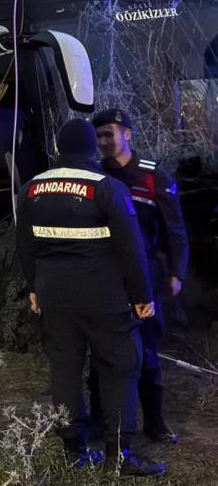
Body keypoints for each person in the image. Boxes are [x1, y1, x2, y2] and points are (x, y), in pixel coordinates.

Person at [16, 118, 165, 476]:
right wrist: (143, 295)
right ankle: (119, 457)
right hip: (106, 300)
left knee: (64, 370)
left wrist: (34, 288)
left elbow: (25, 245)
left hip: (54, 299)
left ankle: (74, 449)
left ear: (59, 149)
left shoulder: (32, 189)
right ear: (90, 148)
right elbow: (133, 249)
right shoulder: (107, 187)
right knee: (118, 370)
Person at [91, 108, 189, 445]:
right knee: (101, 355)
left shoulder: (154, 177)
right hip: (104, 280)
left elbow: (176, 231)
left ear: (128, 134)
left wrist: (177, 273)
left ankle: (156, 423)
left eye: (110, 133)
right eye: (99, 135)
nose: (104, 141)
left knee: (147, 354)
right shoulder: (94, 176)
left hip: (148, 278)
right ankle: (101, 422)